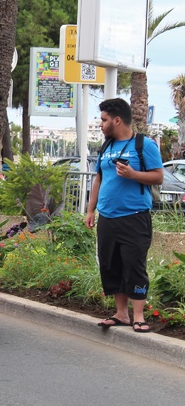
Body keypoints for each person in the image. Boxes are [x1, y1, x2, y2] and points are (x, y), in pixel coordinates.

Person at [84, 98, 163, 333]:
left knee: (134, 264)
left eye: (104, 119)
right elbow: (99, 178)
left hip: (134, 216)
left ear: (117, 120)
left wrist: (133, 174)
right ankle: (121, 314)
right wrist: (90, 210)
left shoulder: (144, 145)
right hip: (107, 217)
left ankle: (139, 316)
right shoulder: (106, 146)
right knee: (111, 264)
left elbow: (158, 177)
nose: (101, 124)